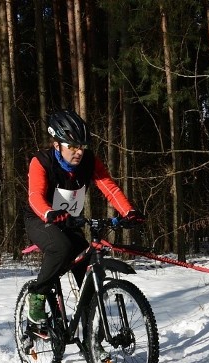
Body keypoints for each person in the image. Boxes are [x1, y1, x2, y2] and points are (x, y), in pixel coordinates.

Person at [25, 109, 144, 332]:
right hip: (39, 220)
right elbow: (35, 196)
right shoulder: (41, 162)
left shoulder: (89, 162)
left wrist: (128, 212)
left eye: (82, 146)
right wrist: (49, 213)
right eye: (73, 146)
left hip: (69, 222)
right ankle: (37, 297)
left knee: (86, 259)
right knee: (61, 248)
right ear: (57, 144)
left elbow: (108, 186)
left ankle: (91, 332)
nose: (79, 152)